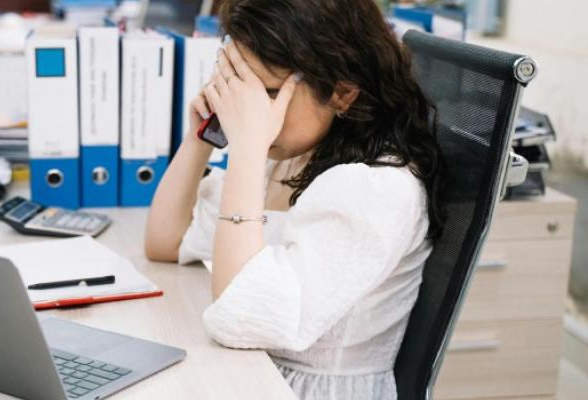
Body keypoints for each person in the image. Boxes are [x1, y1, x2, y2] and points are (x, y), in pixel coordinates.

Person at [144, 0, 445, 398]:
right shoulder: (292, 154)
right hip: (253, 375)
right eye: (237, 85)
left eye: (266, 92)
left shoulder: (374, 188)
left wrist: (247, 147)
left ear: (342, 92)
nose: (246, 109)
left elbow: (241, 318)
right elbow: (165, 241)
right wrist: (201, 135)